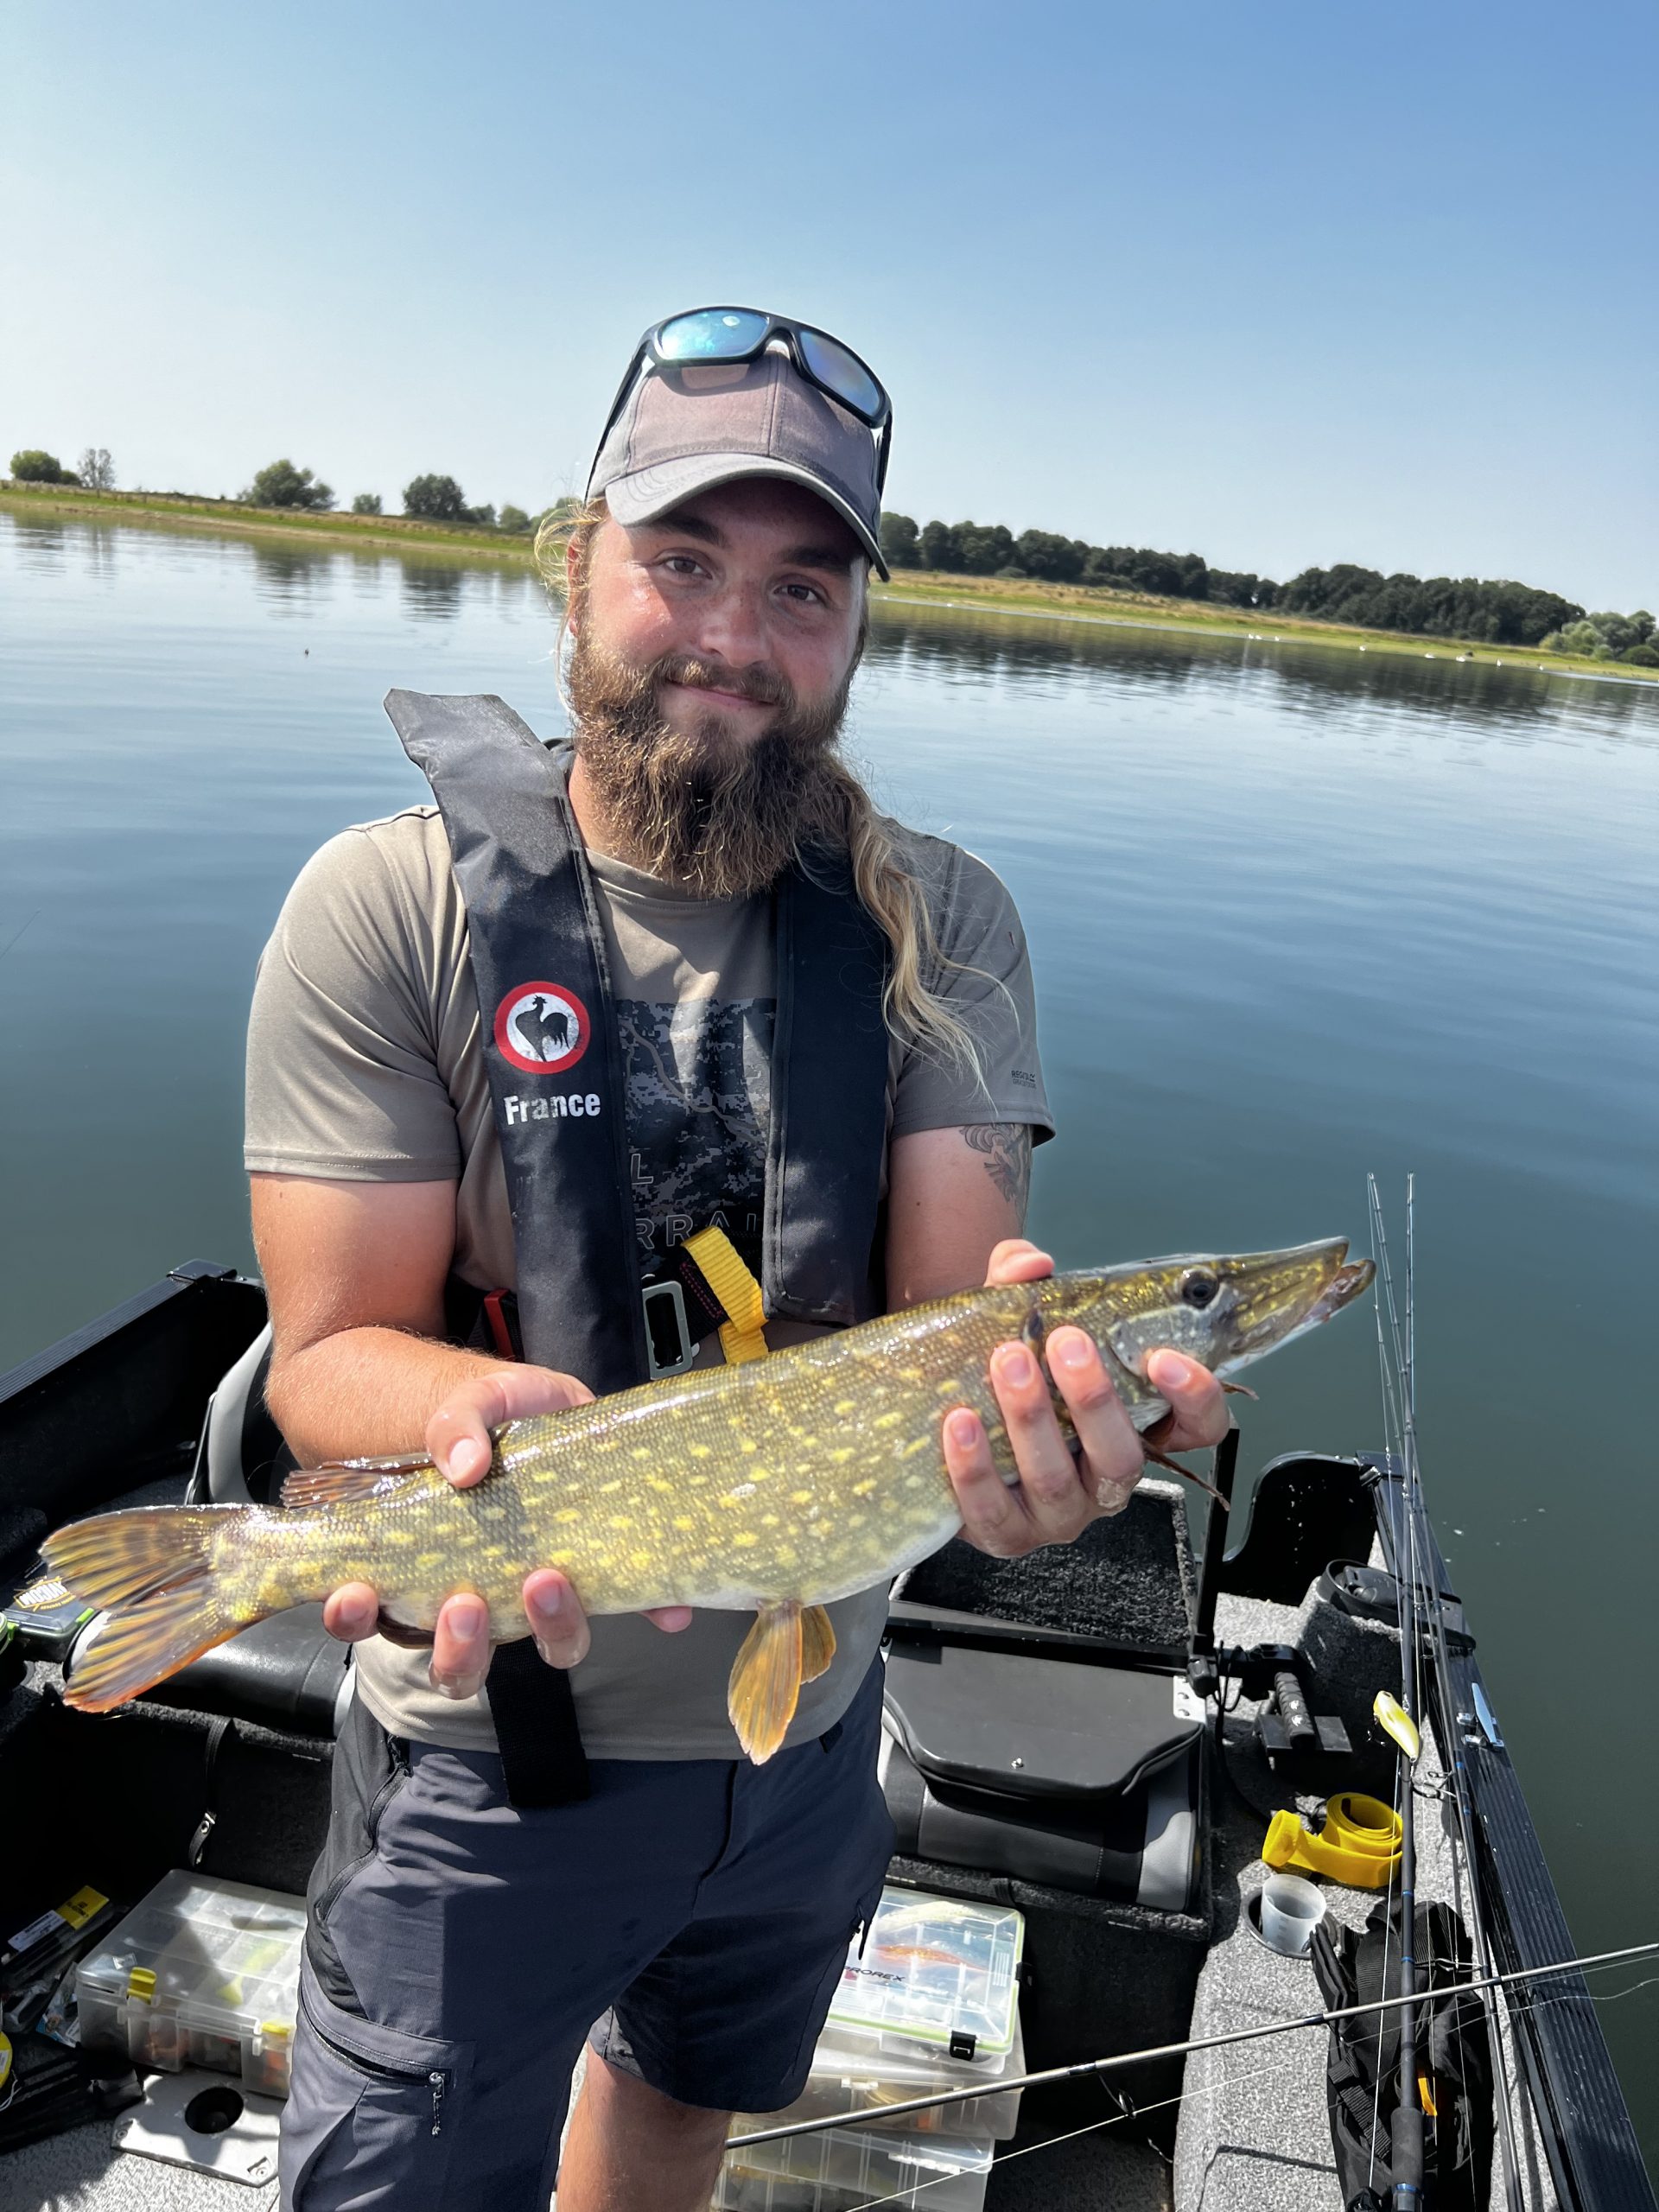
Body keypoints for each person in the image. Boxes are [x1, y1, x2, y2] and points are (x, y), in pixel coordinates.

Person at [245, 305, 1227, 2212]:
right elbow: (327, 1352)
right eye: (682, 562)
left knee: (684, 2105)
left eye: (800, 590)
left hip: (803, 1738)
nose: (734, 638)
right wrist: (485, 1423)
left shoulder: (936, 915)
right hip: (487, 1751)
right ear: (574, 561)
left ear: (856, 627)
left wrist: (1032, 1453)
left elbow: (969, 1301)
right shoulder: (387, 907)